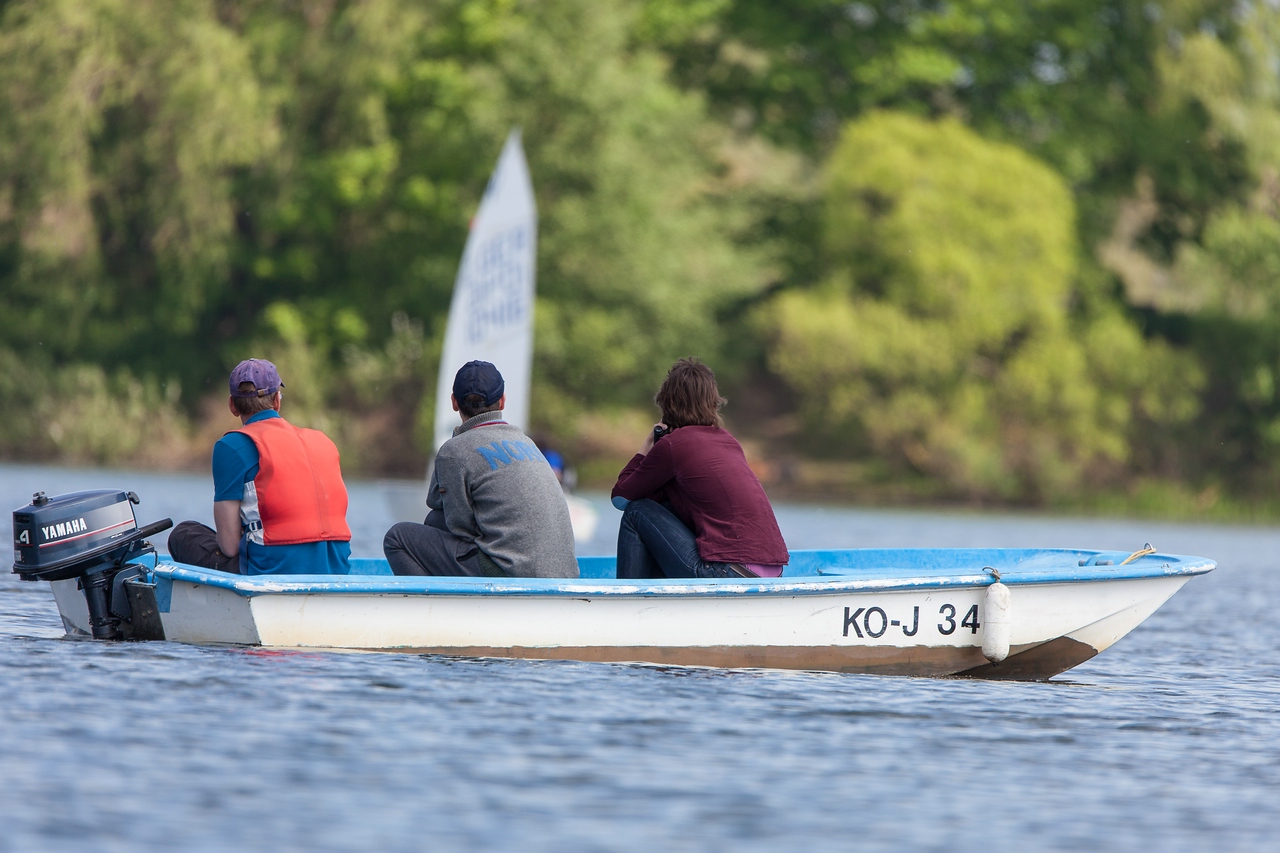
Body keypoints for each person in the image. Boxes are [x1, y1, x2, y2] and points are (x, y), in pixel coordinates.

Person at [383, 361, 578, 578]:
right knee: (435, 522)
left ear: (454, 402)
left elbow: (460, 528)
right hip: (564, 573)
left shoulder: (455, 450)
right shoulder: (527, 442)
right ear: (502, 401)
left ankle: (435, 609)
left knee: (397, 538)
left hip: (512, 573)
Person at [168, 359, 352, 575]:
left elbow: (228, 546)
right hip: (335, 568)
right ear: (277, 401)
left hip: (274, 569)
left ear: (232, 405)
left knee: (184, 535)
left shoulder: (232, 446)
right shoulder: (324, 441)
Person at [611, 357, 789, 579]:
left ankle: (629, 604)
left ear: (667, 402)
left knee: (637, 511)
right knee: (666, 508)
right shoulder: (728, 441)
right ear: (713, 402)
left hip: (727, 572)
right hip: (772, 574)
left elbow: (621, 498)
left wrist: (646, 446)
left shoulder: (673, 445)